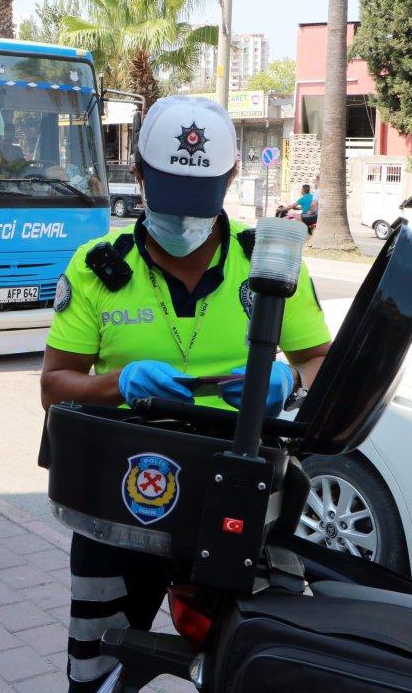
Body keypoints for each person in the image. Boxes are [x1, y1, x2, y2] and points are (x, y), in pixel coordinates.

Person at [40, 96, 332, 692]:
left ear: (230, 177)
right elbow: (54, 387)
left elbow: (320, 361)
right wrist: (118, 384)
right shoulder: (98, 267)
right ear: (139, 174)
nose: (182, 218)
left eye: (198, 196)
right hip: (120, 505)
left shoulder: (269, 262)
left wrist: (290, 382)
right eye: (168, 194)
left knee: (245, 668)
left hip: (237, 501)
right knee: (94, 671)